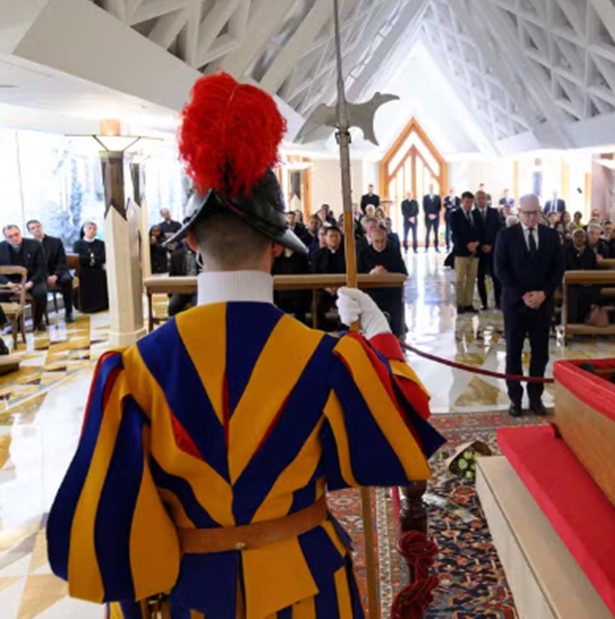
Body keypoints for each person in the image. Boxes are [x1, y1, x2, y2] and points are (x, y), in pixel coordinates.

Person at [48, 72, 445, 619]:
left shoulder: (132, 371)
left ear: (190, 240)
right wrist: (379, 335)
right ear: (279, 246)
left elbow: (109, 518)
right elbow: (407, 437)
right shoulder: (330, 360)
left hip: (180, 596)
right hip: (308, 591)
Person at [495, 194, 564, 417]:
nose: (531, 218)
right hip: (515, 304)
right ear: (519, 212)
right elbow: (501, 270)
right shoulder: (506, 236)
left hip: (542, 305)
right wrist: (523, 295)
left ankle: (536, 397)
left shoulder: (551, 236)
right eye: (527, 213)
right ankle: (515, 399)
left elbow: (558, 268)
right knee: (513, 353)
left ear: (540, 212)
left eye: (535, 213)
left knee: (540, 354)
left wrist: (544, 293)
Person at [359, 226, 408, 337]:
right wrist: (372, 272)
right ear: (371, 240)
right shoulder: (363, 252)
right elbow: (358, 273)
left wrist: (388, 274)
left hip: (390, 290)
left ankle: (396, 333)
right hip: (371, 290)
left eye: (383, 241)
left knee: (395, 301)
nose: (380, 244)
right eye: (377, 241)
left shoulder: (393, 251)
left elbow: (403, 273)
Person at [0, 224, 49, 330]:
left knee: (40, 293)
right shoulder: (1, 248)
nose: (14, 238)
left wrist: (29, 284)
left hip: (33, 279)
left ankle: (38, 321)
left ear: (20, 233)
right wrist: (8, 284)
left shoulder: (35, 244)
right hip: (11, 281)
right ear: (5, 238)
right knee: (1, 294)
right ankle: (15, 322)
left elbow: (42, 268)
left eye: (16, 234)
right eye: (10, 236)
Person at [27, 219, 75, 322]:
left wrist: (56, 275)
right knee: (38, 287)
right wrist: (44, 276)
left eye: (38, 226)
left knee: (67, 280)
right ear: (29, 232)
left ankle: (69, 312)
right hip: (41, 274)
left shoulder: (55, 241)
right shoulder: (29, 245)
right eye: (33, 228)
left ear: (42, 227)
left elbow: (62, 261)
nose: (36, 229)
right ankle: (39, 318)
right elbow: (32, 266)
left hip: (57, 271)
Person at [311, 226, 347, 331]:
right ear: (325, 238)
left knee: (348, 302)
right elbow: (314, 273)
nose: (334, 239)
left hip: (343, 288)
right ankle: (321, 331)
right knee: (316, 305)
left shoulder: (347, 255)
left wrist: (338, 287)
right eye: (331, 236)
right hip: (323, 289)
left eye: (336, 236)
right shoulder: (318, 254)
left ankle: (344, 330)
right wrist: (325, 287)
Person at [450, 192, 481, 313]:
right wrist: (467, 244)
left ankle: (468, 303)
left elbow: (480, 231)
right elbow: (456, 233)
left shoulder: (475, 215)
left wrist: (476, 243)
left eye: (471, 202)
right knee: (459, 279)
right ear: (462, 202)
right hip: (461, 252)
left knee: (471, 279)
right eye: (467, 202)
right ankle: (460, 303)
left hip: (474, 252)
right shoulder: (455, 215)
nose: (469, 205)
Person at [72, 222, 109, 314]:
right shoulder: (78, 244)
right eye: (89, 228)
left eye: (94, 229)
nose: (92, 230)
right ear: (84, 230)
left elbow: (103, 257)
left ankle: (101, 305)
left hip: (97, 269)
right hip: (84, 270)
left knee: (101, 276)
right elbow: (79, 258)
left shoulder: (101, 244)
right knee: (84, 277)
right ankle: (85, 306)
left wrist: (92, 260)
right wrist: (93, 260)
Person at [474, 190, 504, 310]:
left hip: (492, 250)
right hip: (479, 251)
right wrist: (481, 245)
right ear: (476, 201)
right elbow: (473, 232)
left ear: (487, 200)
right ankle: (484, 303)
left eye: (483, 198)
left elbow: (498, 230)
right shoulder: (473, 214)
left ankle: (498, 302)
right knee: (480, 277)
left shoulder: (494, 212)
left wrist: (491, 245)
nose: (481, 201)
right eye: (478, 198)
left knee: (495, 276)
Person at [564, 228, 598, 323]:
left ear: (585, 238)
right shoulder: (567, 251)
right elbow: (563, 267)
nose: (579, 238)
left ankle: (586, 320)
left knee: (590, 294)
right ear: (572, 238)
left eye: (582, 236)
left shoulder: (590, 251)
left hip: (587, 281)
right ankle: (573, 322)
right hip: (571, 282)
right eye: (577, 236)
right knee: (573, 296)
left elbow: (594, 267)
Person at [167, 236, 199, 317]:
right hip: (181, 289)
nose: (187, 240)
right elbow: (172, 276)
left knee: (198, 306)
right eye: (185, 238)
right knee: (172, 306)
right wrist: (171, 293)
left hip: (197, 288)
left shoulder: (201, 253)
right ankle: (175, 324)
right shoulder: (175, 255)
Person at [423, 188, 443, 253]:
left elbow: (439, 207)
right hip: (428, 217)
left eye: (432, 187)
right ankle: (426, 247)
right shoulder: (425, 197)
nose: (431, 189)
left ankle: (436, 247)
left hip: (436, 218)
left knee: (436, 232)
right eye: (430, 187)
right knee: (427, 232)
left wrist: (435, 215)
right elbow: (424, 207)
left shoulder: (437, 197)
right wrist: (429, 214)